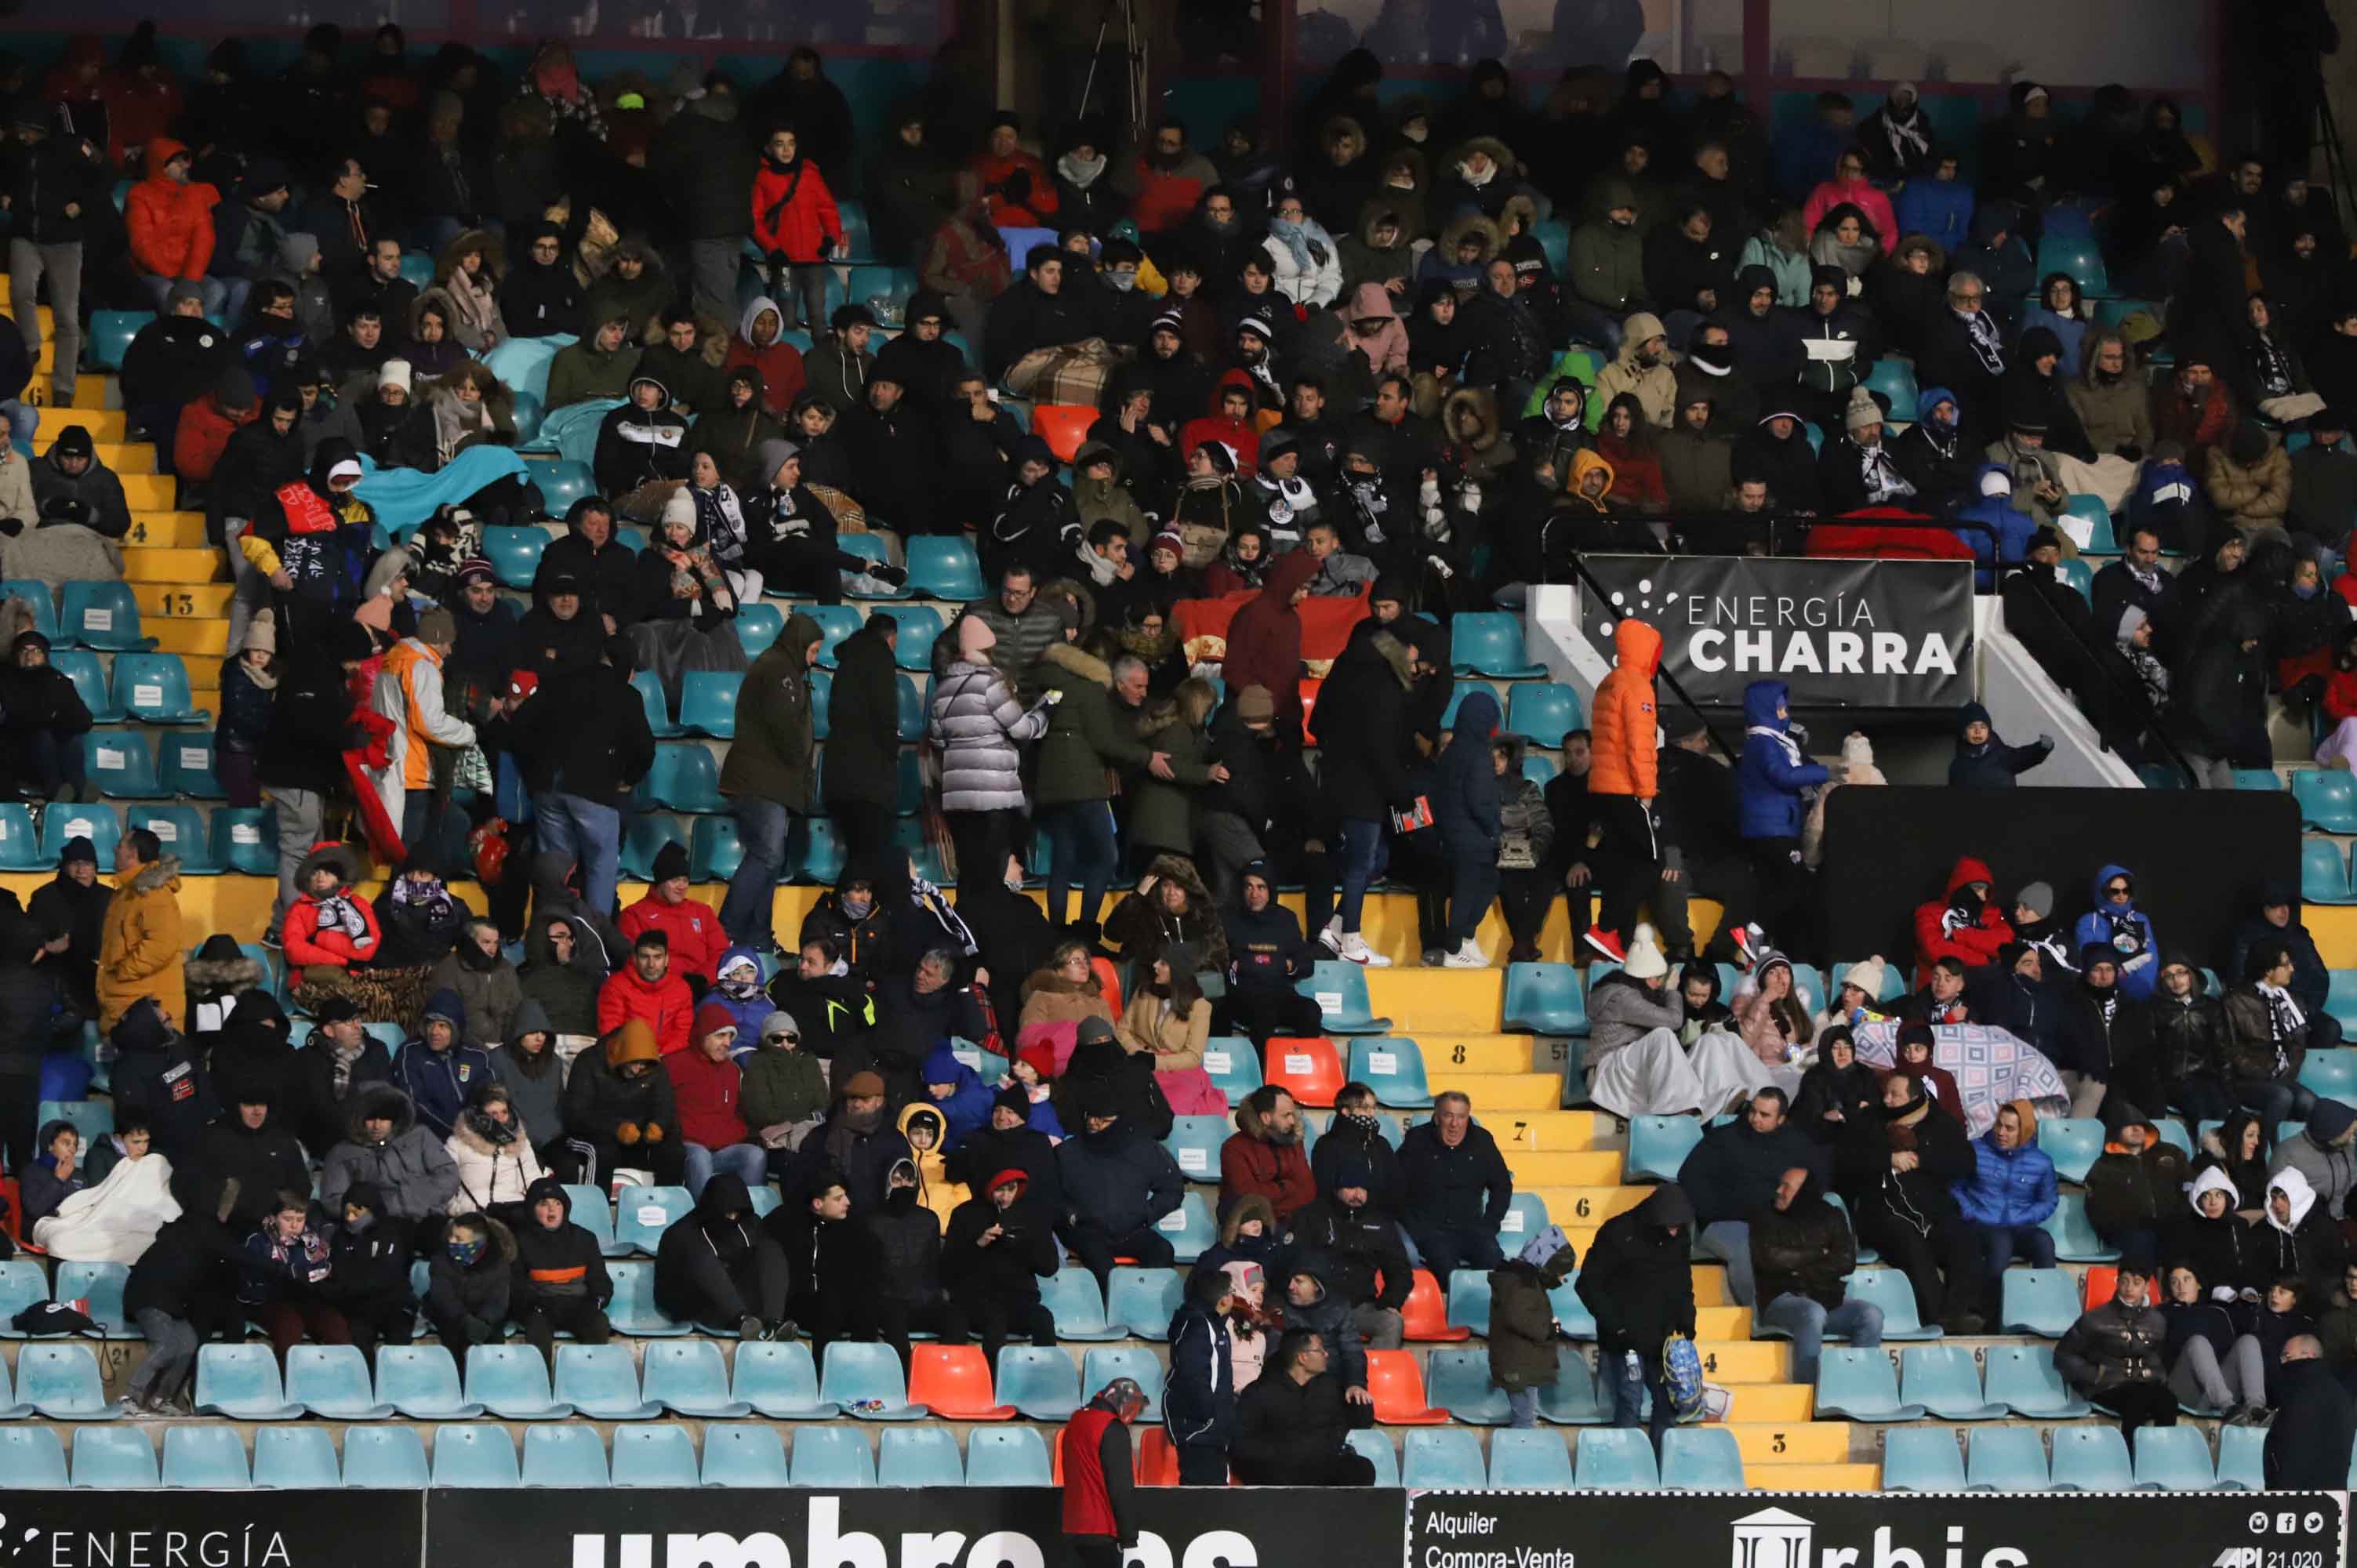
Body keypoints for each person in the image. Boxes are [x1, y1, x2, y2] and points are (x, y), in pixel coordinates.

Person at [1838, 1071, 1983, 1334]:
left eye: (1895, 1094)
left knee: (1964, 1241)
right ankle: (1937, 1317)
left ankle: (1959, 1312)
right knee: (1912, 1245)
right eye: (1886, 1093)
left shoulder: (1940, 1122)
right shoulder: (1868, 1121)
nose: (1887, 1099)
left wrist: (1922, 1158)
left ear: (1914, 1097)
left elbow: (1965, 1161)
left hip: (1931, 1209)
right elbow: (1846, 1160)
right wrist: (1888, 1160)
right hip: (1882, 1211)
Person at [1578, 1182, 1695, 1451]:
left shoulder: (1679, 1238)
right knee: (1629, 1404)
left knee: (1667, 1404)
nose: (1675, 1230)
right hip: (1624, 1339)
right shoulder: (1617, 1232)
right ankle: (1625, 1468)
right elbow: (1587, 1284)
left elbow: (1682, 1283)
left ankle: (1660, 1467)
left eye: (1679, 1225)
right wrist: (1616, 1327)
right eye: (1671, 1225)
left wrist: (1687, 1320)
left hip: (1661, 1340)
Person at [1679, 1087, 1822, 1306]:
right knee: (1747, 1242)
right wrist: (1726, 1211)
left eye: (1765, 1115)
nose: (1756, 1119)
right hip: (1723, 1224)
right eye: (1753, 1111)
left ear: (1781, 1119)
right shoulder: (1722, 1138)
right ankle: (1760, 1312)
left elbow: (1815, 1184)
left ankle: (1809, 1305)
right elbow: (1690, 1178)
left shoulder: (1797, 1145)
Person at [119, 1171, 242, 1414]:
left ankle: (161, 1399)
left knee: (188, 1343)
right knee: (166, 1345)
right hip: (149, 1299)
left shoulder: (203, 1231)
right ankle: (129, 1397)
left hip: (173, 1304)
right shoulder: (195, 1231)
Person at [1749, 1164, 1881, 1386]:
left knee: (1871, 1315)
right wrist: (1819, 1253)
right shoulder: (1765, 1216)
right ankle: (1809, 1393)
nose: (1779, 1191)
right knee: (1813, 1312)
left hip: (1827, 1300)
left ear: (1804, 1192)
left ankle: (1860, 1387)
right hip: (1782, 1301)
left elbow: (1846, 1261)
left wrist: (1801, 1267)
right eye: (1780, 1185)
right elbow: (1772, 1258)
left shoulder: (1831, 1216)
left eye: (1787, 1187)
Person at [1055, 1087, 1186, 1295]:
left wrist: (1145, 1213)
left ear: (1119, 1121)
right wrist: (1071, 1216)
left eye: (1103, 1120)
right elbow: (1049, 1193)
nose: (1094, 1124)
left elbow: (1172, 1188)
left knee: (1162, 1252)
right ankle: (1115, 1316)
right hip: (1086, 1231)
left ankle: (1150, 1313)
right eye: (1091, 1117)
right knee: (1103, 1268)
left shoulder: (1143, 1149)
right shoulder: (1068, 1152)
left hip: (1132, 1230)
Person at [940, 1167, 1059, 1370]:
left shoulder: (1032, 1216)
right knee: (995, 1323)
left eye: (1011, 1189)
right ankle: (991, 1387)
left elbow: (1049, 1267)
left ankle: (1043, 1381)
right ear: (988, 1187)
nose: (1006, 1197)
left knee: (1043, 1319)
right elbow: (947, 1269)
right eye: (999, 1190)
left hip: (1019, 1299)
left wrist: (1025, 1244)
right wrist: (979, 1244)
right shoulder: (965, 1214)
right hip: (977, 1301)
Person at [652, 1171, 792, 1339]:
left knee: (770, 1248)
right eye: (727, 1213)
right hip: (698, 1302)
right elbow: (667, 1289)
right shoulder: (681, 1233)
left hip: (744, 1302)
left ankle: (774, 1322)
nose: (733, 1217)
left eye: (737, 1213)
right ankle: (740, 1319)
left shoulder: (750, 1224)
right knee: (700, 1254)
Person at [2056, 1258, 2178, 1450]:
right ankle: (2129, 1460)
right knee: (2136, 1401)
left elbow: (2161, 1357)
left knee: (2168, 1401)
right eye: (2124, 1281)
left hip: (2144, 1384)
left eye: (2137, 1283)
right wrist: (2095, 1374)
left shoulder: (2157, 1321)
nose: (2129, 1288)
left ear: (2147, 1287)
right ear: (2118, 1283)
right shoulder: (2095, 1318)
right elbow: (2064, 1354)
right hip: (2107, 1385)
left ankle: (2161, 1457)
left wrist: (2158, 1376)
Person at [318, 1082, 462, 1243]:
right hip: (376, 1227)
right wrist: (373, 1214)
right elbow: (333, 1201)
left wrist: (410, 1201)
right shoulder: (342, 1153)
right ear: (357, 1119)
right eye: (370, 1119)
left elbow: (448, 1175)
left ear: (394, 1118)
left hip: (427, 1217)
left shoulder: (420, 1136)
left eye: (384, 1118)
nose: (377, 1126)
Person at [1230, 1329, 1378, 1486]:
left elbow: (1360, 1421)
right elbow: (1243, 1445)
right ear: (1302, 1357)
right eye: (1320, 1350)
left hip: (1320, 1464)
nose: (1326, 1354)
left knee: (1362, 1469)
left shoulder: (1329, 1386)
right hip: (1278, 1468)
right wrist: (1287, 1452)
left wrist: (1358, 1397)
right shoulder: (1259, 1391)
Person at [1397, 1091, 1513, 1274]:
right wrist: (1415, 1228)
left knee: (1495, 1268)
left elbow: (1502, 1186)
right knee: (1447, 1272)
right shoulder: (1417, 1140)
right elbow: (1396, 1187)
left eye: (1461, 1117)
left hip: (1473, 1230)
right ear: (1437, 1117)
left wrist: (1490, 1225)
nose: (1454, 1124)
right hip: (1431, 1231)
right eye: (1448, 1115)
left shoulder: (1482, 1140)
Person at [562, 1019, 686, 1189]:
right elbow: (577, 1115)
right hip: (595, 1135)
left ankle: (667, 1209)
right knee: (603, 1152)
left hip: (638, 1137)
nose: (637, 1070)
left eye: (643, 1065)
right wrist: (616, 1129)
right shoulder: (589, 1062)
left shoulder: (655, 1068)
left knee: (673, 1152)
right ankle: (595, 1209)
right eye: (634, 1063)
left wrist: (658, 1126)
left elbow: (665, 1104)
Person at [507, 1175, 612, 1371]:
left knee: (598, 1323)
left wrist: (596, 1301)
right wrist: (531, 1306)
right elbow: (516, 1285)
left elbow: (601, 1281)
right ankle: (540, 1386)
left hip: (578, 1304)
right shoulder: (520, 1240)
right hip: (540, 1306)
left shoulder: (585, 1238)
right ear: (532, 1209)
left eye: (557, 1203)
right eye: (544, 1204)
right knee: (537, 1329)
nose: (552, 1209)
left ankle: (591, 1383)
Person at [1955, 1099, 2060, 1296]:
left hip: (2019, 1224)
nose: (2001, 1132)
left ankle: (2044, 1304)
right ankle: (1987, 1314)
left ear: (2024, 1131)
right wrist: (1970, 1212)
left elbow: (2049, 1201)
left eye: (2009, 1128)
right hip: (1981, 1223)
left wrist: (2026, 1216)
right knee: (2000, 1243)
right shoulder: (1975, 1150)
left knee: (2044, 1242)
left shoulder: (2041, 1162)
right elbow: (1955, 1187)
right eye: (1999, 1125)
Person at [237, 1188, 347, 1363]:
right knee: (289, 1327)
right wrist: (286, 1278)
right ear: (273, 1218)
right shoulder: (258, 1241)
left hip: (307, 1297)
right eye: (288, 1219)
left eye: (300, 1219)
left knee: (335, 1325)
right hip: (269, 1300)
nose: (295, 1225)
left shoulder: (310, 1239)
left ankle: (341, 1378)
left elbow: (320, 1270)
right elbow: (248, 1285)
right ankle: (285, 1380)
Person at [1488, 1224, 1578, 1427]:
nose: (1562, 1280)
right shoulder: (1521, 1283)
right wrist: (1549, 1329)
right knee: (1524, 1419)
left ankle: (1523, 1453)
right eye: (1560, 1274)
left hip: (1523, 1364)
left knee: (1528, 1415)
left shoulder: (1523, 1280)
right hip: (1518, 1365)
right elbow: (1518, 1317)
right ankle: (1520, 1456)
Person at [2159, 1259, 2268, 1424]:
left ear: (2199, 1284)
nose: (2180, 1286)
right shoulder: (2162, 1313)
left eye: (2187, 1279)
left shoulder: (2217, 1313)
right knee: (2198, 1342)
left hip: (2213, 1391)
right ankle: (2229, 1408)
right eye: (2174, 1282)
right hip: (2182, 1391)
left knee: (2248, 1341)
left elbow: (2229, 1356)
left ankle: (2256, 1410)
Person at [96, 827, 183, 1032]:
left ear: (132, 854)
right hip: (131, 1003)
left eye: (119, 846)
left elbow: (162, 946)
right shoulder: (130, 890)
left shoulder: (153, 893)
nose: (114, 849)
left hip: (146, 1009)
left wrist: (122, 971)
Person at [1062, 1377, 1149, 1566]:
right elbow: (1120, 1487)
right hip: (1102, 1529)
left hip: (1072, 1526)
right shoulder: (1112, 1428)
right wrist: (1128, 1536)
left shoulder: (1075, 1420)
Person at [1163, 1268, 1237, 1484]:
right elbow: (1194, 1375)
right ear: (1223, 1300)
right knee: (1202, 1500)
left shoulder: (1214, 1325)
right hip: (1199, 1430)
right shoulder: (1198, 1326)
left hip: (1211, 1429)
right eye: (1231, 1292)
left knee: (1214, 1499)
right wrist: (1210, 1415)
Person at [2268, 1334, 2357, 1487]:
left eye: (2287, 1356)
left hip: (2293, 1502)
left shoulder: (2301, 1395)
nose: (2282, 1362)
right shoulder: (2338, 1393)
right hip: (2330, 1500)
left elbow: (2292, 1454)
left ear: (2310, 1356)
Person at [1220, 1083, 1314, 1225]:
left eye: (1293, 1114)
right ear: (1265, 1118)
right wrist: (1286, 1188)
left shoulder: (1294, 1142)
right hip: (1253, 1228)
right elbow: (1248, 1199)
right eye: (1286, 1115)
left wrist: (1271, 1197)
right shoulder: (1233, 1148)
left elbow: (1308, 1191)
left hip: (1293, 1224)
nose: (1292, 1121)